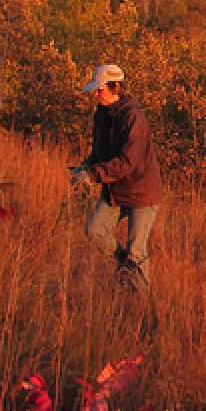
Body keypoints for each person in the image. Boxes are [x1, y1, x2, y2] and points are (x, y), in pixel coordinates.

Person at [71, 64, 162, 294]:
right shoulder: (101, 114)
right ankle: (127, 266)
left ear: (116, 87)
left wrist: (92, 175)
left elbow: (126, 161)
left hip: (142, 192)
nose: (96, 94)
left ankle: (142, 303)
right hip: (115, 190)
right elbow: (101, 151)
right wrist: (85, 166)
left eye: (99, 89)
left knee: (137, 251)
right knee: (94, 230)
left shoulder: (133, 117)